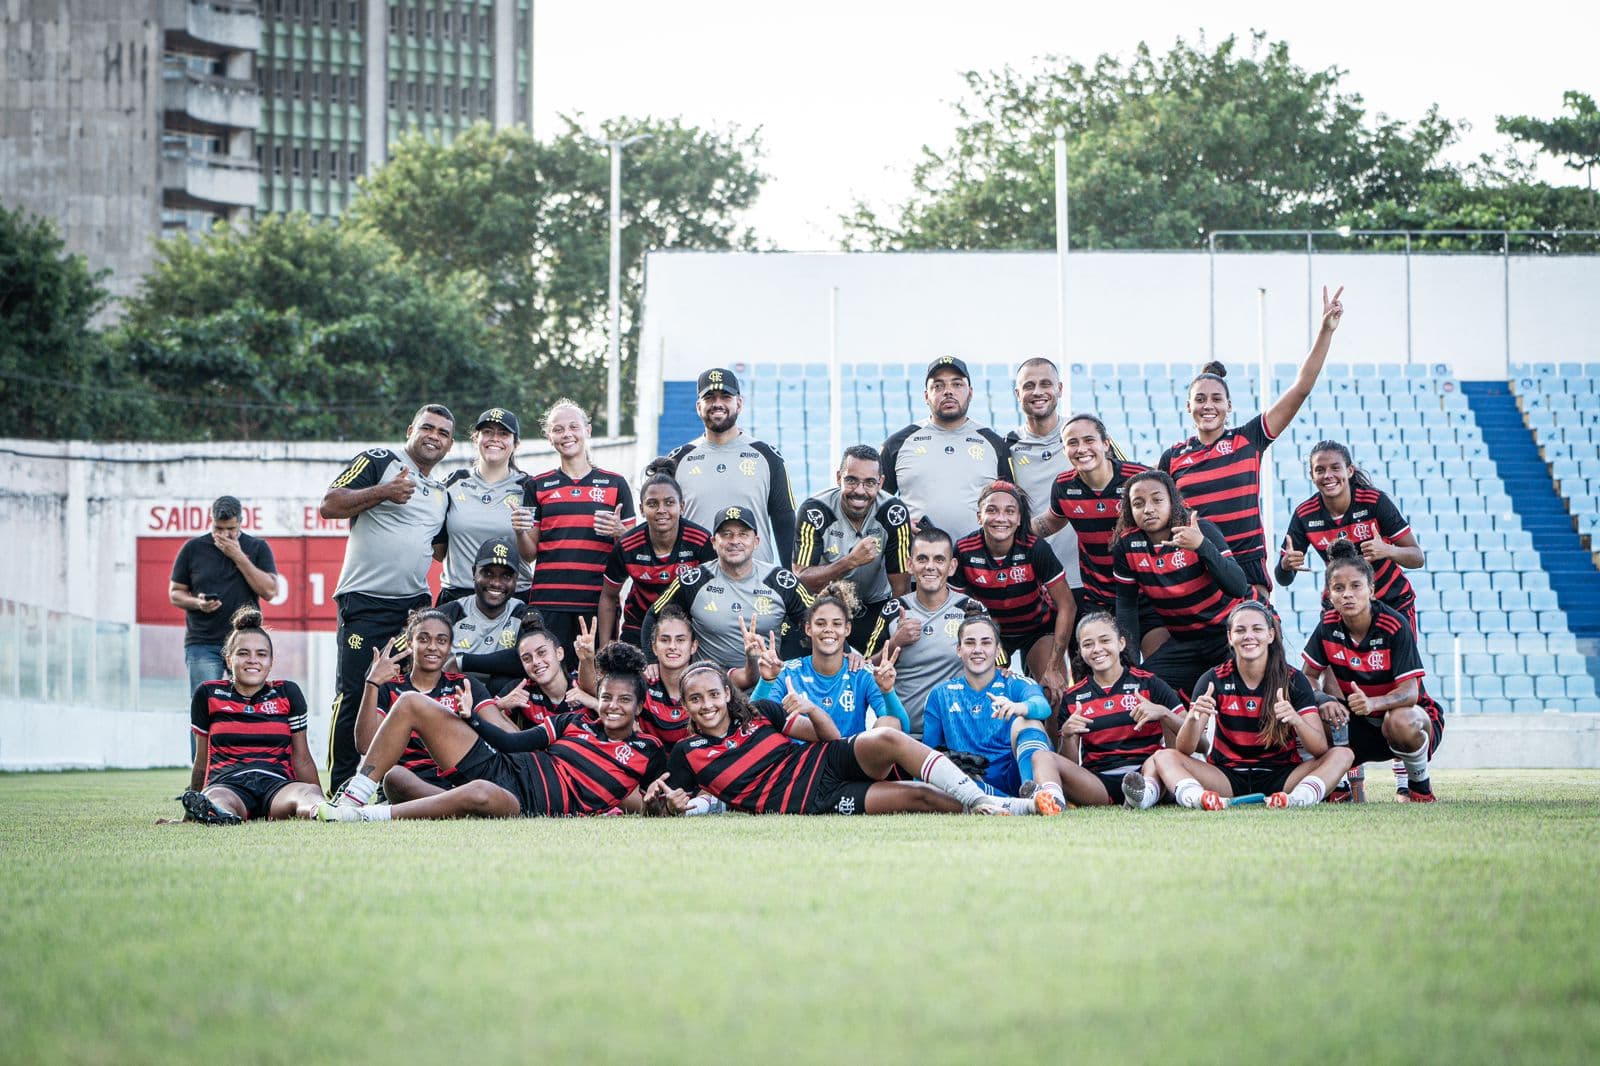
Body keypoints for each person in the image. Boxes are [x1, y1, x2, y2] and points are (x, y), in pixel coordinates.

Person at [311, 643, 667, 822]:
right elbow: (511, 742)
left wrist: (658, 806)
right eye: (606, 697)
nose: (613, 706)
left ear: (639, 706)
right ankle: (352, 799)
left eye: (624, 700)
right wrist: (473, 720)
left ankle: (367, 817)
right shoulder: (573, 722)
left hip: (521, 804)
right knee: (410, 702)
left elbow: (660, 796)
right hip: (502, 766)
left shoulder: (648, 749)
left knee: (475, 792)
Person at [641, 661, 1047, 816]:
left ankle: (981, 800)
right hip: (811, 801)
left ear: (728, 694)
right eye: (696, 699)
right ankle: (1020, 807)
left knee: (886, 736)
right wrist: (667, 805)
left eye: (714, 694)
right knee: (919, 797)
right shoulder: (686, 753)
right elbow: (669, 805)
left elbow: (829, 738)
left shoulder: (761, 712)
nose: (707, 705)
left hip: (823, 760)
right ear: (685, 706)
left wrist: (812, 709)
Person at [1158, 285, 1345, 598]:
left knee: (1256, 629)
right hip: (1197, 567)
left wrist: (1326, 330)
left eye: (1216, 399)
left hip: (1247, 569)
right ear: (1188, 407)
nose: (1208, 406)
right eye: (1200, 399)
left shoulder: (1249, 439)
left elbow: (1301, 388)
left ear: (1229, 406)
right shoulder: (1173, 457)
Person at [320, 403, 455, 792]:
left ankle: (392, 787)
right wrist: (385, 492)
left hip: (413, 609)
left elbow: (441, 549)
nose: (434, 436)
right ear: (410, 430)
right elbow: (329, 504)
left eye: (443, 433)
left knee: (407, 696)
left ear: (449, 444)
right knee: (356, 692)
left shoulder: (441, 493)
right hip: (364, 602)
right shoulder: (380, 461)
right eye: (427, 428)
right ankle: (341, 789)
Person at [1148, 601, 1354, 809]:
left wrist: (1296, 720)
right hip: (1226, 777)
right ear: (1230, 637)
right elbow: (1184, 749)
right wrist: (1193, 718)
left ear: (1270, 635)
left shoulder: (1293, 679)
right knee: (1165, 756)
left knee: (1343, 754)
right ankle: (1200, 799)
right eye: (1240, 630)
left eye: (1257, 629)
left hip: (1282, 777)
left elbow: (1319, 748)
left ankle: (1297, 799)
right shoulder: (1212, 679)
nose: (1248, 636)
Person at [1302, 539, 1443, 803]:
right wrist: (1324, 700)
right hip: (1361, 726)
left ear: (1371, 590)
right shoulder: (1327, 627)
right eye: (1338, 588)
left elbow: (1410, 693)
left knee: (1399, 720)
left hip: (1408, 721)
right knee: (1307, 713)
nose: (1347, 594)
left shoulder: (1393, 625)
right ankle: (1338, 786)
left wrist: (1372, 703)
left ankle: (1419, 786)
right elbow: (1307, 677)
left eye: (1356, 586)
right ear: (1329, 595)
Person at [1111, 470, 1250, 699]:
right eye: (1138, 503)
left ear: (1172, 502)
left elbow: (1238, 586)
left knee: (1246, 689)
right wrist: (1130, 665)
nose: (1148, 509)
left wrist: (1202, 546)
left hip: (1227, 635)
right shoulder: (1127, 545)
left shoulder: (1200, 530)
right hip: (1186, 643)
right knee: (1140, 687)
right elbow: (1126, 607)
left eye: (1157, 500)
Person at [176, 607, 323, 824]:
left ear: (271, 662)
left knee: (307, 793)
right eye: (243, 653)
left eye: (261, 654)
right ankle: (220, 814)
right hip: (227, 785)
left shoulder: (287, 692)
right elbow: (201, 760)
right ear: (229, 660)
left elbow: (302, 757)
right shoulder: (208, 693)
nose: (253, 660)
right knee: (216, 798)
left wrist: (318, 795)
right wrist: (189, 816)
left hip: (278, 786)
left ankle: (321, 811)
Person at [1032, 414, 1162, 651]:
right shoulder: (1064, 486)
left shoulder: (1138, 478)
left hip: (1147, 595)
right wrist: (1011, 531)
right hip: (1099, 599)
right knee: (1103, 669)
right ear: (1064, 450)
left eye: (1089, 440)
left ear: (1106, 443)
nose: (1081, 449)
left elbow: (1169, 518)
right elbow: (1051, 521)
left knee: (1155, 667)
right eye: (1072, 443)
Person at [520, 399, 636, 667]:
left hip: (597, 603)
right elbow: (528, 554)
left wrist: (619, 531)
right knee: (550, 674)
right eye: (558, 429)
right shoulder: (537, 485)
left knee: (597, 674)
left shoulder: (615, 484)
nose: (567, 434)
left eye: (574, 427)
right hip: (548, 601)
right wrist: (518, 531)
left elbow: (632, 552)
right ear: (549, 437)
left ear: (588, 431)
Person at [643, 506, 811, 689]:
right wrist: (651, 660)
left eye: (743, 534)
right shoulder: (694, 580)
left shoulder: (781, 581)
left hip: (768, 685)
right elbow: (653, 615)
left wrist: (835, 659)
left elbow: (815, 619)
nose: (734, 541)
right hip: (710, 689)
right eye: (726, 534)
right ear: (714, 542)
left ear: (756, 541)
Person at [921, 613, 1064, 813]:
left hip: (1016, 778)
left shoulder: (1014, 683)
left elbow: (1043, 707)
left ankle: (1035, 793)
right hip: (973, 785)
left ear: (998, 651)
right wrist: (919, 792)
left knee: (1027, 722)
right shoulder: (940, 694)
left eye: (986, 643)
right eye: (970, 643)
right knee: (948, 777)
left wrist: (1019, 707)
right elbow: (927, 752)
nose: (977, 649)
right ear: (959, 650)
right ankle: (1021, 806)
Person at [1277, 439, 1425, 630]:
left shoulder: (1374, 502)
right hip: (1341, 607)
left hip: (1391, 600)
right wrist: (1286, 565)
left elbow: (1417, 558)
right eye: (1320, 470)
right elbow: (1283, 578)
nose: (1328, 475)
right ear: (1312, 476)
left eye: (1335, 468)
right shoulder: (1304, 515)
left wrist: (1388, 550)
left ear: (1349, 471)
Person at [354, 607, 502, 797]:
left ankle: (450, 802)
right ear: (410, 644)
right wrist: (372, 683)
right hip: (404, 788)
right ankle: (454, 804)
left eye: (441, 641)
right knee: (396, 776)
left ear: (450, 647)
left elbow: (501, 731)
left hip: (455, 785)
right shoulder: (389, 688)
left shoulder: (464, 685)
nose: (432, 647)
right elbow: (365, 745)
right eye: (423, 639)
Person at [949, 481, 1074, 703]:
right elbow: (954, 607)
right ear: (979, 517)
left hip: (1036, 629)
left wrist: (1054, 666)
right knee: (986, 694)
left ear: (1019, 519)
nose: (1001, 518)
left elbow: (1067, 606)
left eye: (1009, 511)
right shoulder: (964, 550)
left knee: (1054, 693)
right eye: (992, 510)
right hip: (991, 632)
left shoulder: (1035, 548)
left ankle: (1050, 728)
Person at [861, 526, 991, 735]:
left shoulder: (971, 610)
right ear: (910, 564)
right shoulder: (894, 610)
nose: (930, 567)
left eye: (939, 560)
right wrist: (896, 643)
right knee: (881, 729)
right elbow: (867, 670)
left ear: (952, 566)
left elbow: (997, 668)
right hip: (904, 734)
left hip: (957, 734)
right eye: (922, 559)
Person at [1048, 612, 1184, 809]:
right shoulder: (1072, 697)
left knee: (1160, 759)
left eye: (1105, 640)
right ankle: (1050, 802)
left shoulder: (1150, 683)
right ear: (1080, 651)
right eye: (1088, 644)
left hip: (1148, 772)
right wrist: (1068, 737)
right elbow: (1070, 764)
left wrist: (1164, 712)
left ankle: (1142, 796)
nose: (1097, 649)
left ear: (1121, 643)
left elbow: (1196, 740)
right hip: (1099, 783)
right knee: (1042, 757)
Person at [666, 368, 797, 567]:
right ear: (699, 406)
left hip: (755, 580)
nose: (717, 403)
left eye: (725, 397)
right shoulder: (677, 460)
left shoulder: (768, 457)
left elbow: (785, 522)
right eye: (709, 397)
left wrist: (792, 578)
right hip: (694, 579)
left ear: (739, 403)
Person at [749, 581, 911, 736]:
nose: (828, 629)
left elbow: (901, 728)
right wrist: (767, 681)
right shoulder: (787, 671)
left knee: (889, 722)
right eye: (820, 623)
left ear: (847, 629)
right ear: (808, 628)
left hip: (849, 753)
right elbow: (753, 723)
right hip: (801, 753)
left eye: (836, 624)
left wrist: (888, 692)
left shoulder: (862, 673)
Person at [792, 445, 914, 649]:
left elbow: (901, 589)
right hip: (826, 607)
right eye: (851, 480)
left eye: (869, 483)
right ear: (838, 477)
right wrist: (850, 562)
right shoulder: (815, 511)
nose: (859, 491)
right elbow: (802, 581)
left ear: (881, 483)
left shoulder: (893, 512)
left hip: (875, 606)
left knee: (884, 657)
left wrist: (893, 628)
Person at [881, 356, 1014, 541]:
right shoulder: (897, 444)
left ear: (970, 392)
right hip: (918, 555)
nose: (948, 391)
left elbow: (1012, 504)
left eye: (957, 384)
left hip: (978, 556)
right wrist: (899, 525)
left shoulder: (995, 444)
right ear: (926, 396)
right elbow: (877, 503)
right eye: (938, 386)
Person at [168, 495, 279, 695]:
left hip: (245, 640)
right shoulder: (193, 548)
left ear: (241, 522)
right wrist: (197, 603)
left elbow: (269, 591)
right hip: (203, 641)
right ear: (211, 520)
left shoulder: (257, 547)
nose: (224, 534)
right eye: (218, 528)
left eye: (231, 529)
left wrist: (238, 556)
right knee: (205, 702)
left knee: (248, 701)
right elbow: (175, 593)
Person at [599, 461, 715, 646]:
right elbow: (608, 596)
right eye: (652, 504)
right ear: (641, 509)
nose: (661, 510)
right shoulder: (627, 545)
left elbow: (716, 593)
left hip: (684, 629)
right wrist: (604, 649)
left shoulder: (701, 541)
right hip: (637, 627)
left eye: (669, 503)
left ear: (682, 506)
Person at [435, 408, 533, 604]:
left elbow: (531, 554)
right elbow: (438, 551)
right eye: (487, 431)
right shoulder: (452, 483)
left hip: (512, 597)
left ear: (516, 444)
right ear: (476, 438)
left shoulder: (529, 487)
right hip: (459, 596)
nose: (494, 438)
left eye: (503, 433)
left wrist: (521, 532)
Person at [1005, 358, 1082, 593]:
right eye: (1029, 386)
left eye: (1045, 384)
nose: (1037, 392)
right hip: (1033, 580)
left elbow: (1128, 481)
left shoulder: (1085, 436)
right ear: (1018, 394)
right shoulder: (1007, 447)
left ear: (1059, 389)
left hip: (1088, 576)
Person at [438, 536, 527, 696]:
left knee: (504, 681)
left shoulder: (523, 613)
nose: (496, 583)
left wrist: (461, 661)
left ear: (516, 579)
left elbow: (529, 659)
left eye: (506, 576)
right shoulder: (450, 613)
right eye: (488, 573)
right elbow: (410, 644)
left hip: (501, 702)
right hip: (453, 697)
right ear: (474, 573)